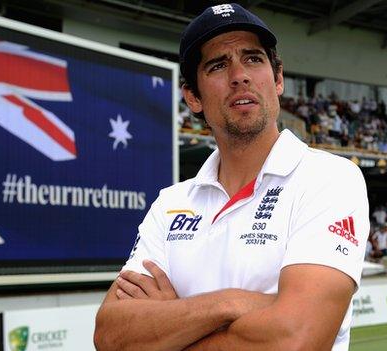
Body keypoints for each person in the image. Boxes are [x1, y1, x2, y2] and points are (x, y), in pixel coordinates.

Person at [94, 3, 370, 351]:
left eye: (253, 58)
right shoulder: (170, 204)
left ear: (278, 78)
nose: (239, 74)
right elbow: (110, 337)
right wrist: (233, 303)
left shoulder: (329, 177)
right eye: (218, 65)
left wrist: (173, 323)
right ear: (193, 96)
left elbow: (297, 339)